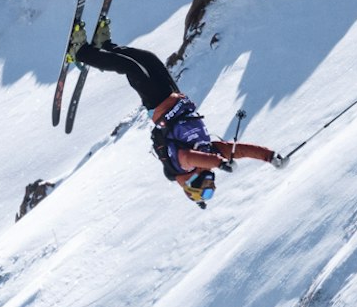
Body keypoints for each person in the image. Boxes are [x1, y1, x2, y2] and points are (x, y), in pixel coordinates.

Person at [74, 40, 281, 205]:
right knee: (150, 60)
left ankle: (80, 52)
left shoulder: (182, 167)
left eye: (206, 192)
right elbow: (242, 151)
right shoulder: (211, 153)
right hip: (175, 97)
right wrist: (269, 157)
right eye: (212, 188)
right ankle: (105, 47)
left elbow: (190, 156)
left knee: (132, 68)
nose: (211, 184)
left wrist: (219, 163)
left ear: (193, 188)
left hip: (159, 104)